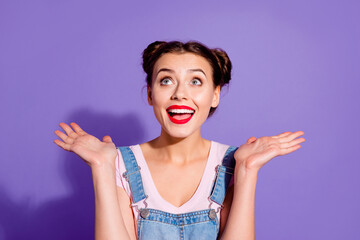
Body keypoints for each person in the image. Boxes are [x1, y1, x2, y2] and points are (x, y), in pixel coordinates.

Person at [54, 40, 305, 240]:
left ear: (215, 95)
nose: (180, 94)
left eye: (196, 81)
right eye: (166, 80)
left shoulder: (233, 163)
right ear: (151, 95)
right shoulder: (119, 163)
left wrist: (248, 171)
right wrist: (101, 168)